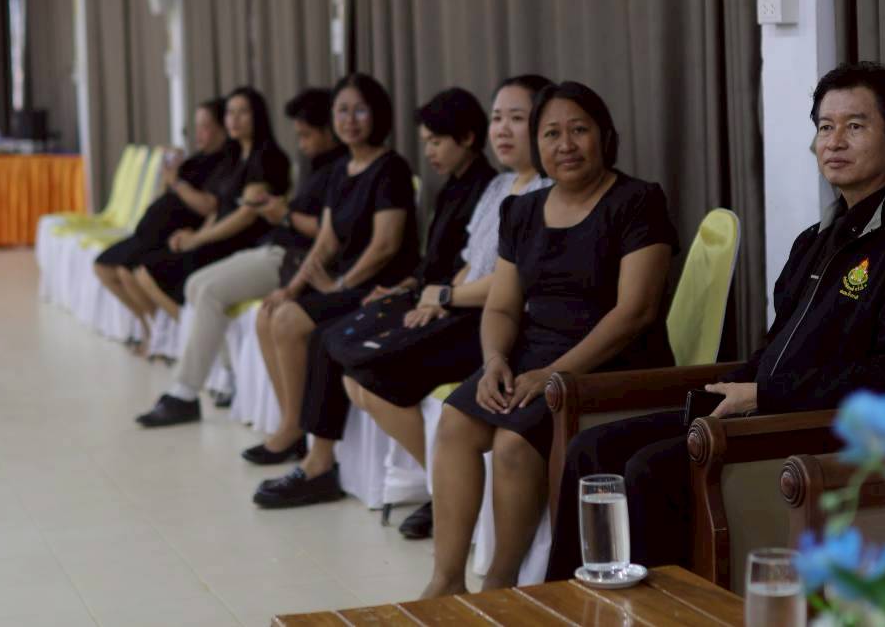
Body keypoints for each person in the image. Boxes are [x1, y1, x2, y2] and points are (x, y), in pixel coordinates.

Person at [543, 62, 885, 581]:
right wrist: (731, 390)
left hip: (823, 432)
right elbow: (777, 349)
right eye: (825, 127)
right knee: (592, 450)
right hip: (766, 410)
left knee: (649, 469)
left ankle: (664, 614)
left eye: (855, 126)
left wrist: (765, 395)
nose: (834, 141)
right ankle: (567, 605)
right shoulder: (814, 241)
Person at [422, 81, 678, 597]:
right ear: (537, 143)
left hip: (612, 361)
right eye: (551, 133)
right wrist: (495, 359)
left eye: (579, 130)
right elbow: (502, 306)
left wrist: (556, 373)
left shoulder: (637, 201)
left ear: (605, 136)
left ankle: (501, 584)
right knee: (454, 421)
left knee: (513, 442)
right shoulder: (520, 211)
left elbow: (635, 313)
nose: (566, 145)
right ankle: (446, 582)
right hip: (531, 355)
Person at [254, 77, 554, 514]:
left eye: (517, 118)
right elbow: (468, 261)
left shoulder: (538, 193)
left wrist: (439, 296)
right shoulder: (496, 187)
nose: (503, 129)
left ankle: (435, 491)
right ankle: (424, 484)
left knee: (343, 353)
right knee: (348, 364)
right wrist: (436, 295)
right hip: (453, 303)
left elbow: (499, 281)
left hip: (487, 320)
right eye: (498, 118)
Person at [133, 89, 344, 428]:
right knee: (194, 284)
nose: (301, 143)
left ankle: (185, 392)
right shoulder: (292, 162)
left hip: (286, 255)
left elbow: (325, 231)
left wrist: (282, 215)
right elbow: (220, 209)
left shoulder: (280, 159)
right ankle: (226, 375)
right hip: (273, 247)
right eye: (229, 113)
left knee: (205, 289)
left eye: (306, 134)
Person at [244, 73, 419, 472]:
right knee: (269, 312)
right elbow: (325, 241)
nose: (349, 120)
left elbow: (385, 246)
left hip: (379, 286)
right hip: (341, 282)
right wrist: (291, 288)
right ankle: (291, 424)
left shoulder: (391, 167)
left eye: (360, 110)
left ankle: (297, 432)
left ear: (378, 114)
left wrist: (339, 286)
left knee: (288, 321)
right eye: (342, 111)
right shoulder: (340, 170)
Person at [123, 87, 292, 333]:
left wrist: (198, 240)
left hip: (242, 244)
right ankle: (185, 334)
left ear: (258, 116)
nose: (234, 119)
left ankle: (195, 336)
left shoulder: (268, 158)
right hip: (217, 238)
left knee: (151, 270)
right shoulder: (233, 158)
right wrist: (195, 235)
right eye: (230, 113)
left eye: (243, 112)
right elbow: (218, 209)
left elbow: (246, 216)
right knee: (144, 268)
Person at [93, 98, 229, 351]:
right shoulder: (195, 161)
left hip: (174, 238)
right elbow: (166, 196)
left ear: (223, 128)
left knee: (128, 272)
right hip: (149, 233)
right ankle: (149, 325)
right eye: (196, 127)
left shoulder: (225, 164)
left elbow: (208, 206)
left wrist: (176, 182)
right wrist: (169, 175)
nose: (199, 134)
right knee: (102, 267)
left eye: (206, 127)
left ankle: (163, 332)